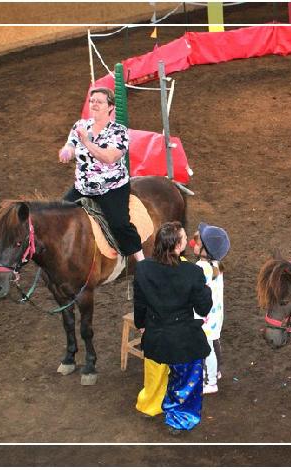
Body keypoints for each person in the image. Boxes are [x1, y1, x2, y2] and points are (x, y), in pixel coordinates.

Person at [133, 221, 213, 435]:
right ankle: (178, 418)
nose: (188, 240)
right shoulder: (192, 272)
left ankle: (153, 404)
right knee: (188, 376)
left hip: (155, 339)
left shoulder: (142, 269)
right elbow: (203, 308)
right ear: (178, 246)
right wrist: (205, 288)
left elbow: (139, 304)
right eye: (185, 238)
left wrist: (142, 326)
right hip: (182, 341)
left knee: (160, 372)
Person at [58, 86, 144, 261]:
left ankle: (141, 261)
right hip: (82, 187)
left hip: (111, 188)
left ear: (110, 107)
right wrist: (66, 151)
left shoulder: (119, 131)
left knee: (120, 224)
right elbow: (71, 146)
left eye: (99, 101)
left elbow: (109, 158)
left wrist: (86, 142)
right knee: (59, 215)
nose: (94, 104)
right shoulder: (80, 125)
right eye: (92, 101)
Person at [190, 222, 231, 395]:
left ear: (205, 250)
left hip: (205, 316)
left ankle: (210, 381)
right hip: (215, 315)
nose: (193, 244)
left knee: (206, 349)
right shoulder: (216, 264)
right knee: (214, 343)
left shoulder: (201, 268)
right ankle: (216, 372)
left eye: (197, 243)